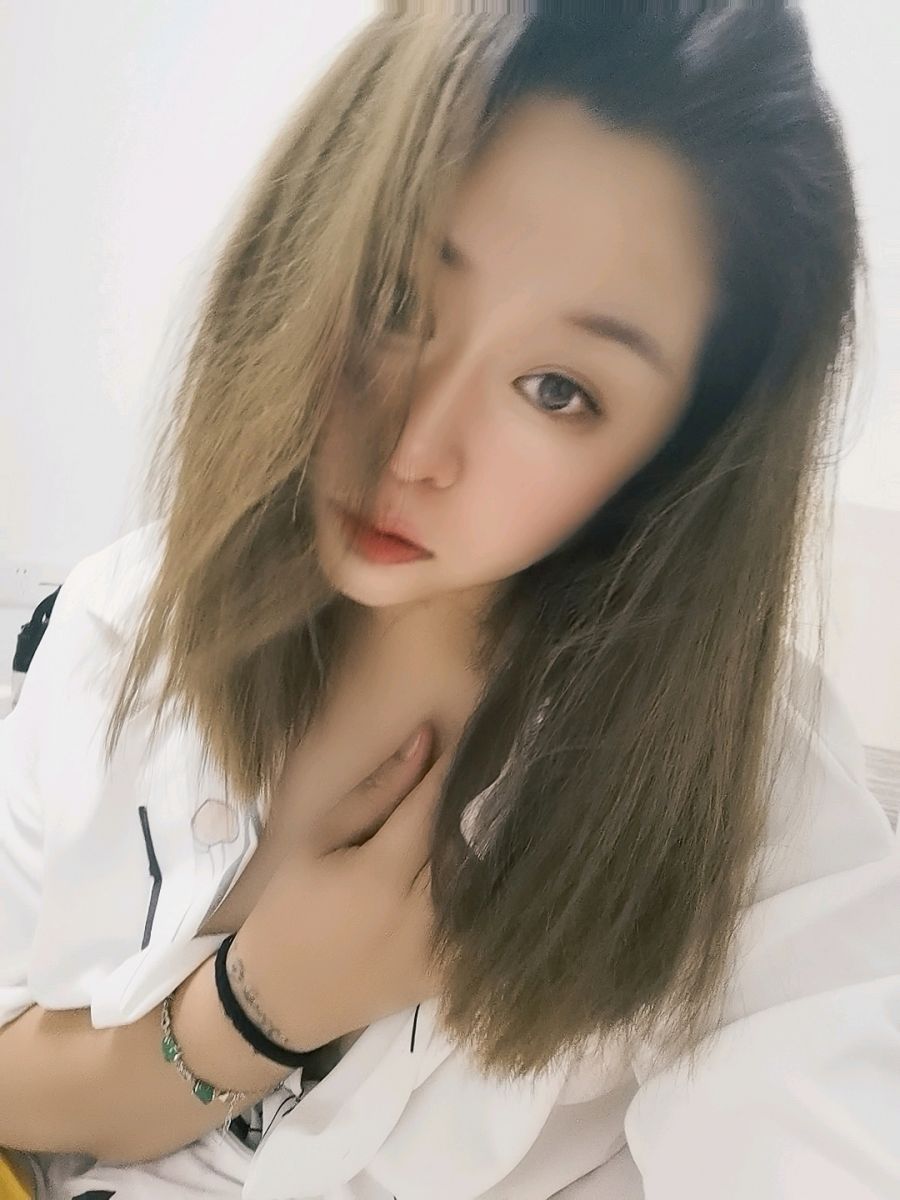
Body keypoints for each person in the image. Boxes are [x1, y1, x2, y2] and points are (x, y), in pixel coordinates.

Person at [2, 4, 899, 1197]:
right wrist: (260, 1004)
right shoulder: (122, 620)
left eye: (555, 387)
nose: (414, 444)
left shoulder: (746, 801)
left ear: (681, 449)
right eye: (392, 297)